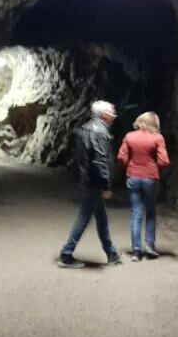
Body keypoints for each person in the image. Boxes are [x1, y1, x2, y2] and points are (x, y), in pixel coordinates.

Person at [58, 100, 122, 269]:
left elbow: (79, 158)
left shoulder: (85, 128)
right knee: (84, 217)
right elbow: (100, 160)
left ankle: (111, 253)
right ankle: (66, 254)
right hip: (93, 183)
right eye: (111, 111)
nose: (114, 114)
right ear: (103, 114)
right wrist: (105, 185)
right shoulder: (100, 131)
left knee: (101, 217)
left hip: (87, 180)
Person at [116, 111, 170, 261]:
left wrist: (129, 166)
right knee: (151, 211)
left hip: (133, 176)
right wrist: (153, 166)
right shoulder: (157, 138)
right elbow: (164, 161)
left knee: (136, 213)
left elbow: (121, 157)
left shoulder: (129, 136)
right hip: (150, 178)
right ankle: (150, 246)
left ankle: (135, 252)